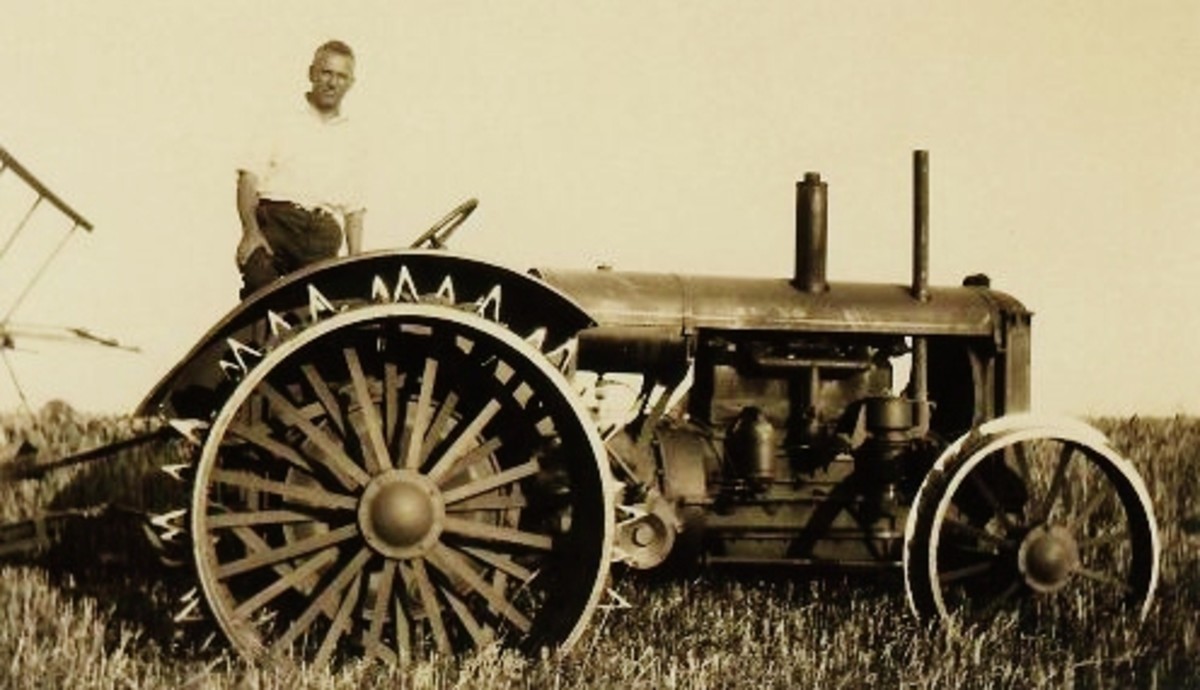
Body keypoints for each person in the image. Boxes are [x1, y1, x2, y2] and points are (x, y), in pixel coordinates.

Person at [235, 40, 367, 298]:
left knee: (329, 308)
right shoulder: (281, 118)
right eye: (326, 73)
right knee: (260, 286)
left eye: (341, 76)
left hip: (324, 236)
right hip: (278, 223)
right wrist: (250, 232)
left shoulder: (353, 137)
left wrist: (356, 264)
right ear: (311, 74)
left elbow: (355, 212)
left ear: (350, 83)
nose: (332, 82)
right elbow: (248, 180)